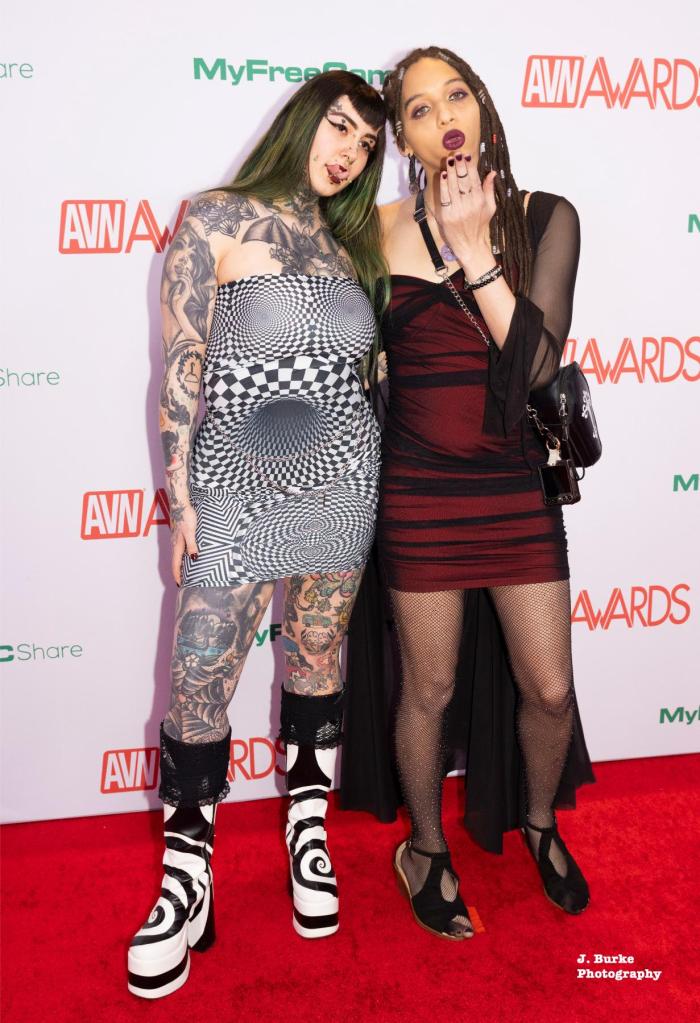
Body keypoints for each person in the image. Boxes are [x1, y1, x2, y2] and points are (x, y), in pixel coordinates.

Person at [127, 70, 387, 998]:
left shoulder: (355, 248)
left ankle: (306, 833)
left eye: (366, 144)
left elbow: (370, 374)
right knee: (200, 673)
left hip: (342, 480)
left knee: (315, 657)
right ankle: (186, 877)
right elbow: (182, 362)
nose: (348, 151)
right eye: (339, 126)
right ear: (302, 120)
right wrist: (180, 493)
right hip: (236, 479)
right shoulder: (215, 217)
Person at [341, 46, 594, 941]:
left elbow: (536, 369)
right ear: (403, 138)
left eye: (455, 95)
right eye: (418, 108)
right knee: (430, 683)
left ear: (481, 109)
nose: (443, 115)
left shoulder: (545, 217)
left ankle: (539, 822)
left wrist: (478, 248)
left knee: (550, 689)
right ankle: (424, 846)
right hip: (419, 491)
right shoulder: (374, 231)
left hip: (515, 487)